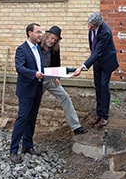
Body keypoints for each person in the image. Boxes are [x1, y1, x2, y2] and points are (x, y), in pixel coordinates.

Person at [73, 12, 119, 128]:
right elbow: (93, 49)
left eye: (92, 26)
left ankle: (104, 116)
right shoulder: (92, 29)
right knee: (97, 86)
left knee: (104, 87)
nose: (89, 28)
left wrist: (83, 66)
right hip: (97, 61)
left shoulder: (105, 32)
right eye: (88, 25)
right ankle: (98, 114)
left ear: (98, 25)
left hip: (107, 62)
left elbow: (98, 51)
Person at [40, 26, 87, 135]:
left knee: (65, 97)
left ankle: (76, 127)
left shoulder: (55, 49)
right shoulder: (37, 46)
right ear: (47, 36)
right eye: (51, 38)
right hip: (38, 79)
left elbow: (57, 64)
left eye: (55, 40)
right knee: (33, 103)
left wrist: (57, 77)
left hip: (50, 79)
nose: (52, 41)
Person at [9, 23, 46, 164]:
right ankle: (13, 150)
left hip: (37, 88)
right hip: (26, 90)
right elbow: (19, 68)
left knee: (32, 118)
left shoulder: (38, 49)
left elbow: (41, 67)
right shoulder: (22, 49)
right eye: (38, 32)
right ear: (29, 33)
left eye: (40, 32)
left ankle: (27, 146)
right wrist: (34, 74)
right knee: (22, 119)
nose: (40, 35)